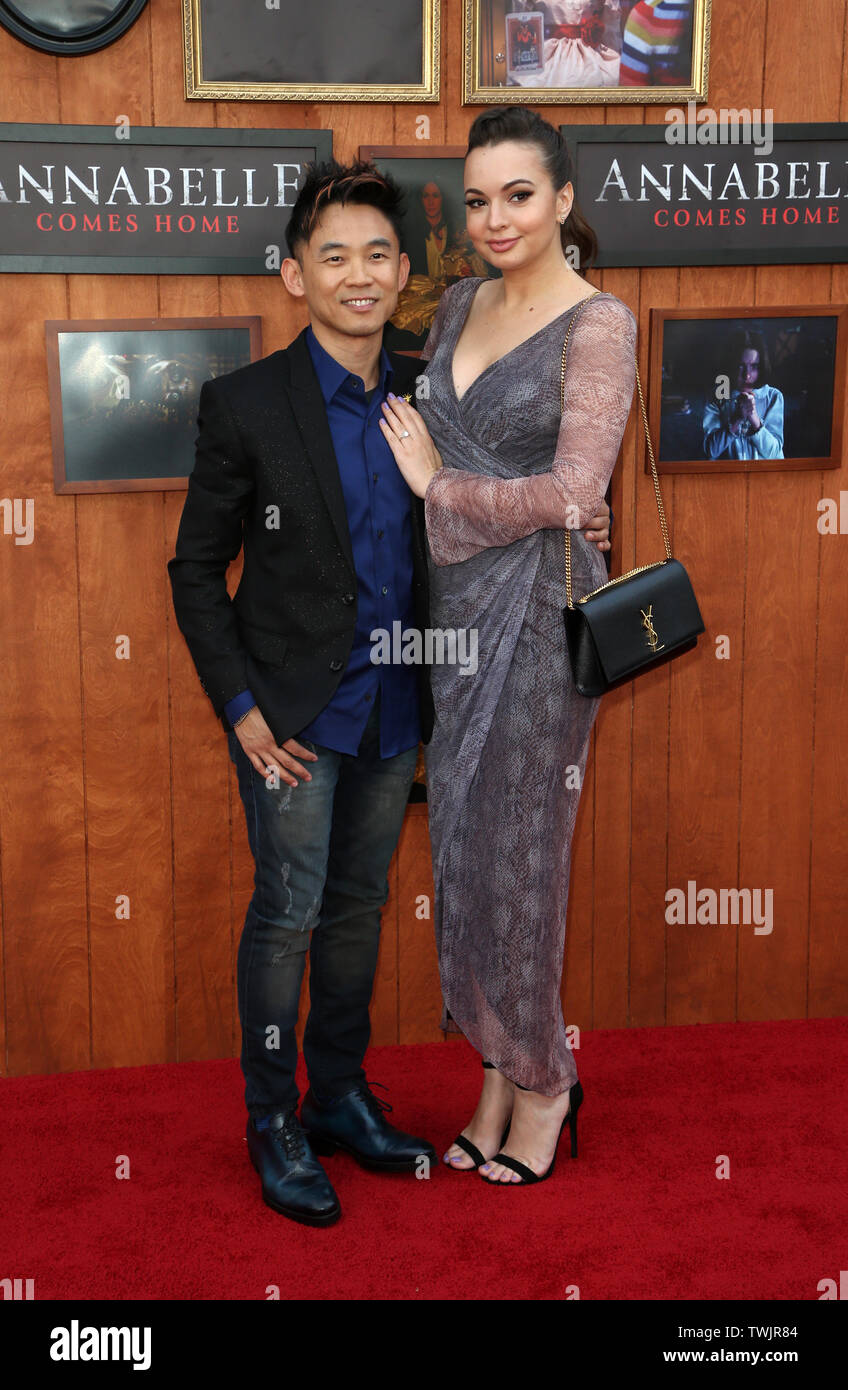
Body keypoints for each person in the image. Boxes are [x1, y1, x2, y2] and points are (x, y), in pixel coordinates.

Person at [167, 154, 616, 1222]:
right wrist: (240, 708)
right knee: (286, 913)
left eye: (377, 254)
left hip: (402, 700)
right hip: (289, 717)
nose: (358, 275)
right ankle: (272, 1118)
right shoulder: (245, 404)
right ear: (293, 275)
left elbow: (504, 494)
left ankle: (338, 1098)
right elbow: (193, 568)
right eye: (333, 257)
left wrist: (576, 516)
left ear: (402, 268)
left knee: (360, 910)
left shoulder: (431, 384)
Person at [380, 106, 637, 1186]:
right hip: (453, 613)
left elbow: (576, 493)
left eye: (518, 195)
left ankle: (544, 1083)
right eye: (477, 199)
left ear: (564, 199)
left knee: (523, 850)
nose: (494, 219)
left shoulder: (598, 323)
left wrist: (439, 486)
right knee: (465, 850)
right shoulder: (453, 305)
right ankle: (497, 1063)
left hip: (535, 616)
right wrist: (455, 491)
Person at [702, 328, 785, 460]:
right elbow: (710, 451)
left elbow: (774, 454)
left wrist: (755, 420)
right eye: (741, 366)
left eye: (754, 366)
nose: (747, 375)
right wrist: (736, 420)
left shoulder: (773, 397)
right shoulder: (717, 396)